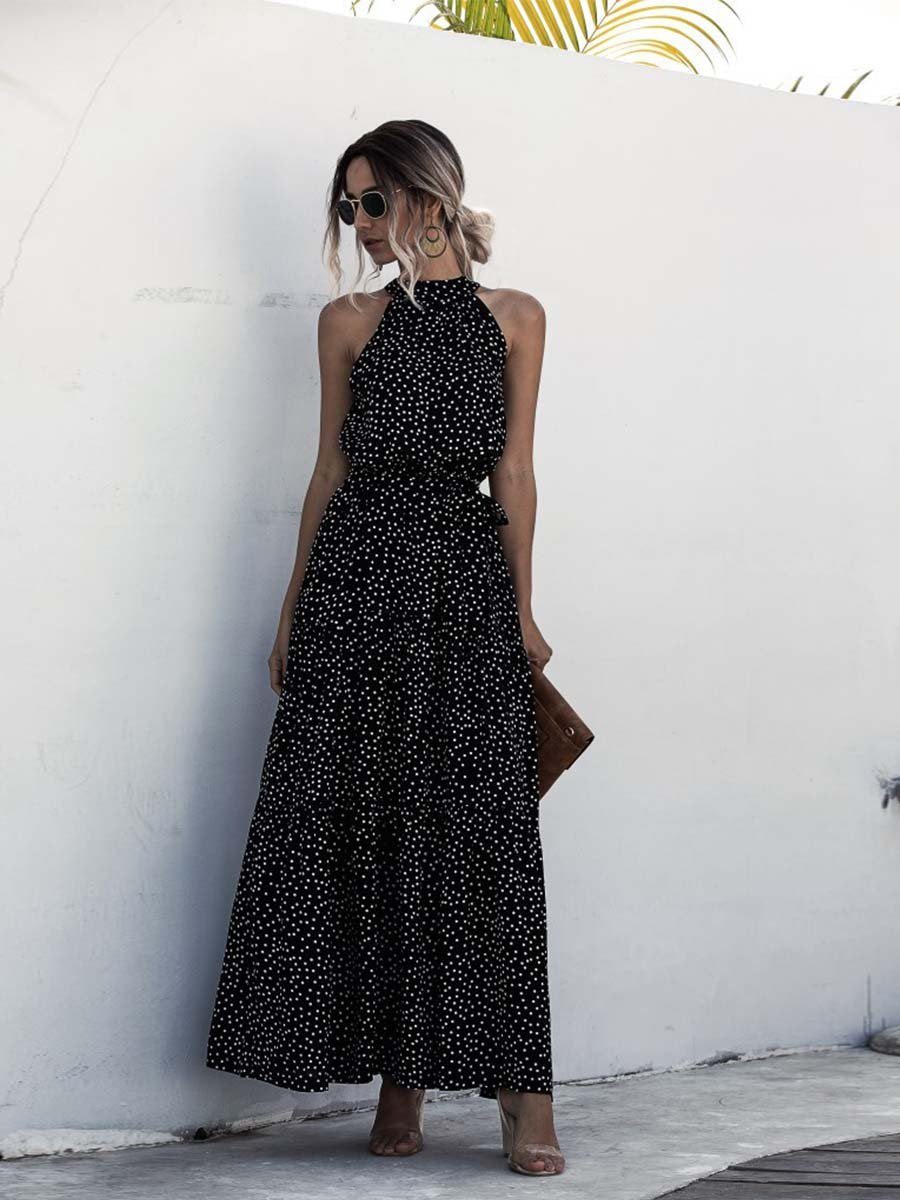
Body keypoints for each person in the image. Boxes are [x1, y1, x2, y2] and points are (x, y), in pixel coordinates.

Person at [205, 118, 565, 1178]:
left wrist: (521, 612)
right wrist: (291, 608)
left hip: (464, 589)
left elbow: (515, 473)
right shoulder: (347, 322)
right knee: (368, 826)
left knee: (486, 835)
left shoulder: (516, 318)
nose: (358, 222)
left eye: (373, 201)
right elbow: (328, 471)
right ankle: (399, 1082)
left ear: (429, 199)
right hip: (357, 592)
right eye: (347, 205)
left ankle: (526, 1096)